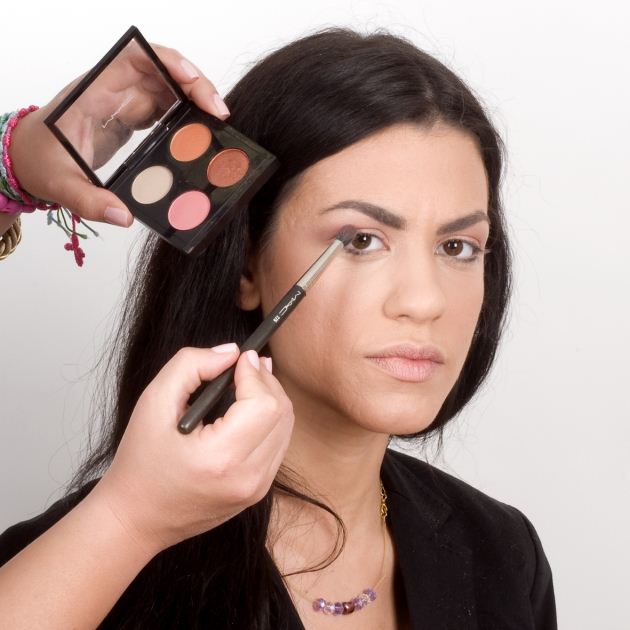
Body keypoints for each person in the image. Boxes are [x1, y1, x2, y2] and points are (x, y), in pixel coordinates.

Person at [0, 27, 557, 629]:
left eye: (458, 247)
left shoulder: (503, 553)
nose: (425, 302)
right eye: (361, 240)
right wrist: (13, 165)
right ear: (247, 267)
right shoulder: (74, 562)